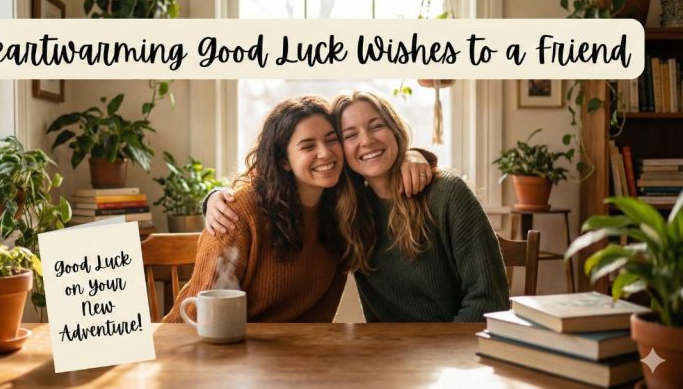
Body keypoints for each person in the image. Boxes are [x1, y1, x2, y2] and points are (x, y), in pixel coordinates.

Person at [205, 91, 509, 323]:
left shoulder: (448, 194)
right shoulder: (345, 210)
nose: (366, 141)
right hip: (385, 358)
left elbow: (488, 301)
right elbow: (275, 188)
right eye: (349, 135)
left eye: (376, 126)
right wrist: (213, 197)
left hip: (453, 360)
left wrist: (416, 155)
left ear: (396, 131)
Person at [164, 95, 432, 323]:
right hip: (222, 360)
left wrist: (415, 155)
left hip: (301, 361)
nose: (326, 153)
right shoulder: (237, 213)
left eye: (332, 140)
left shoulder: (344, 208)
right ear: (283, 161)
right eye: (308, 146)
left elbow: (374, 160)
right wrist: (211, 197)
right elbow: (198, 319)